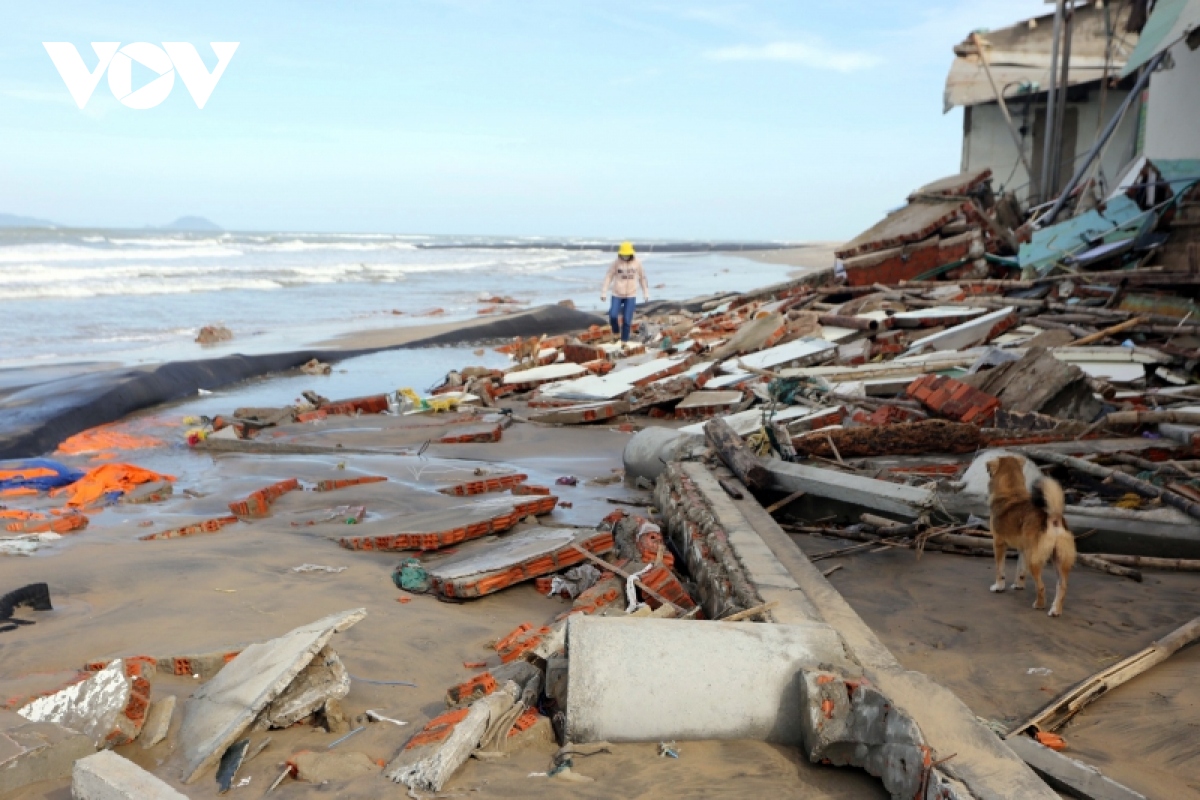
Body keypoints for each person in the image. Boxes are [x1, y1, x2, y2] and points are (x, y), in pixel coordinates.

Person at [601, 241, 649, 342]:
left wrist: (645, 292)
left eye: (627, 254)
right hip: (617, 294)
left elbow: (642, 278)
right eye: (623, 254)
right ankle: (616, 332)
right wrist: (604, 292)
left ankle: (624, 341)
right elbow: (609, 276)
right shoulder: (616, 263)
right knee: (613, 315)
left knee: (627, 320)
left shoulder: (637, 263)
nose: (625, 256)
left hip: (631, 295)